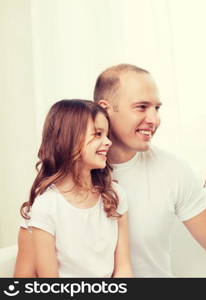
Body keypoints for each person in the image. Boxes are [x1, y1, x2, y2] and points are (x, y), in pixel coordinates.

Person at [93, 64, 206, 277]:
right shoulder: (71, 174)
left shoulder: (172, 170)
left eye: (157, 108)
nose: (154, 120)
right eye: (142, 107)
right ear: (105, 109)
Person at [14, 100, 132, 277]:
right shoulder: (47, 205)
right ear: (69, 139)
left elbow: (123, 268)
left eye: (107, 135)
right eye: (98, 134)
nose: (108, 142)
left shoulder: (115, 195)